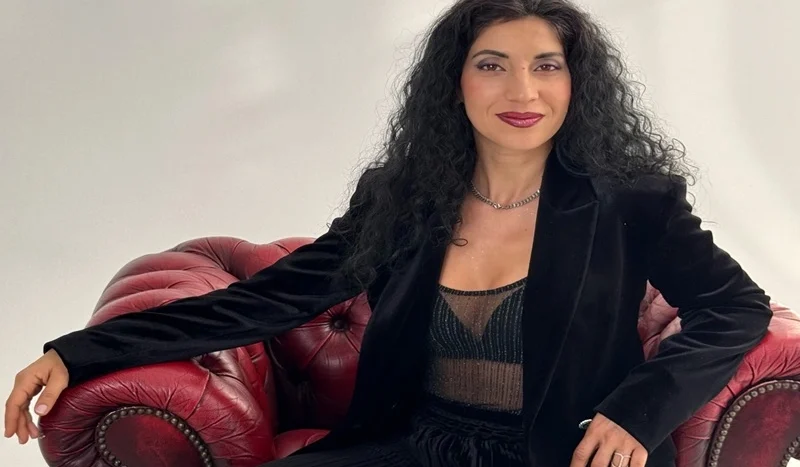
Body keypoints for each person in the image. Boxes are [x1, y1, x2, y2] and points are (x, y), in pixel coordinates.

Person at [5, 0, 773, 466]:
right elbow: (264, 300)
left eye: (547, 66)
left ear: (577, 82)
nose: (523, 90)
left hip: (558, 453)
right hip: (413, 446)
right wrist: (78, 351)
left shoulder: (632, 201)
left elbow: (735, 306)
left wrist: (639, 409)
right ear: (455, 82)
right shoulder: (404, 198)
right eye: (492, 65)